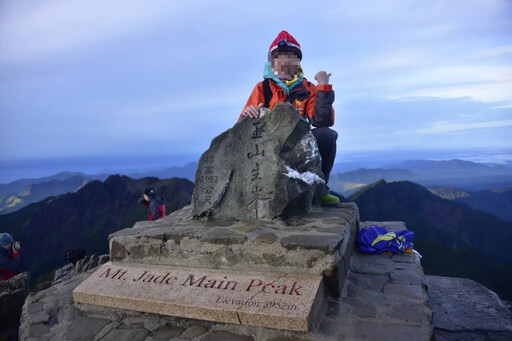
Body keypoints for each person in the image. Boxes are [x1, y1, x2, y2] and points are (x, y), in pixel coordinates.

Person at [241, 30, 340, 205]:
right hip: (271, 149)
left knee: (326, 135)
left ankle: (320, 189)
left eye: (291, 56)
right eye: (279, 57)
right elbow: (242, 129)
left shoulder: (309, 88)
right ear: (272, 63)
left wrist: (323, 87)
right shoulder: (263, 88)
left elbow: (322, 121)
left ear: (298, 62)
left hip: (300, 148)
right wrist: (248, 116)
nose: (285, 61)